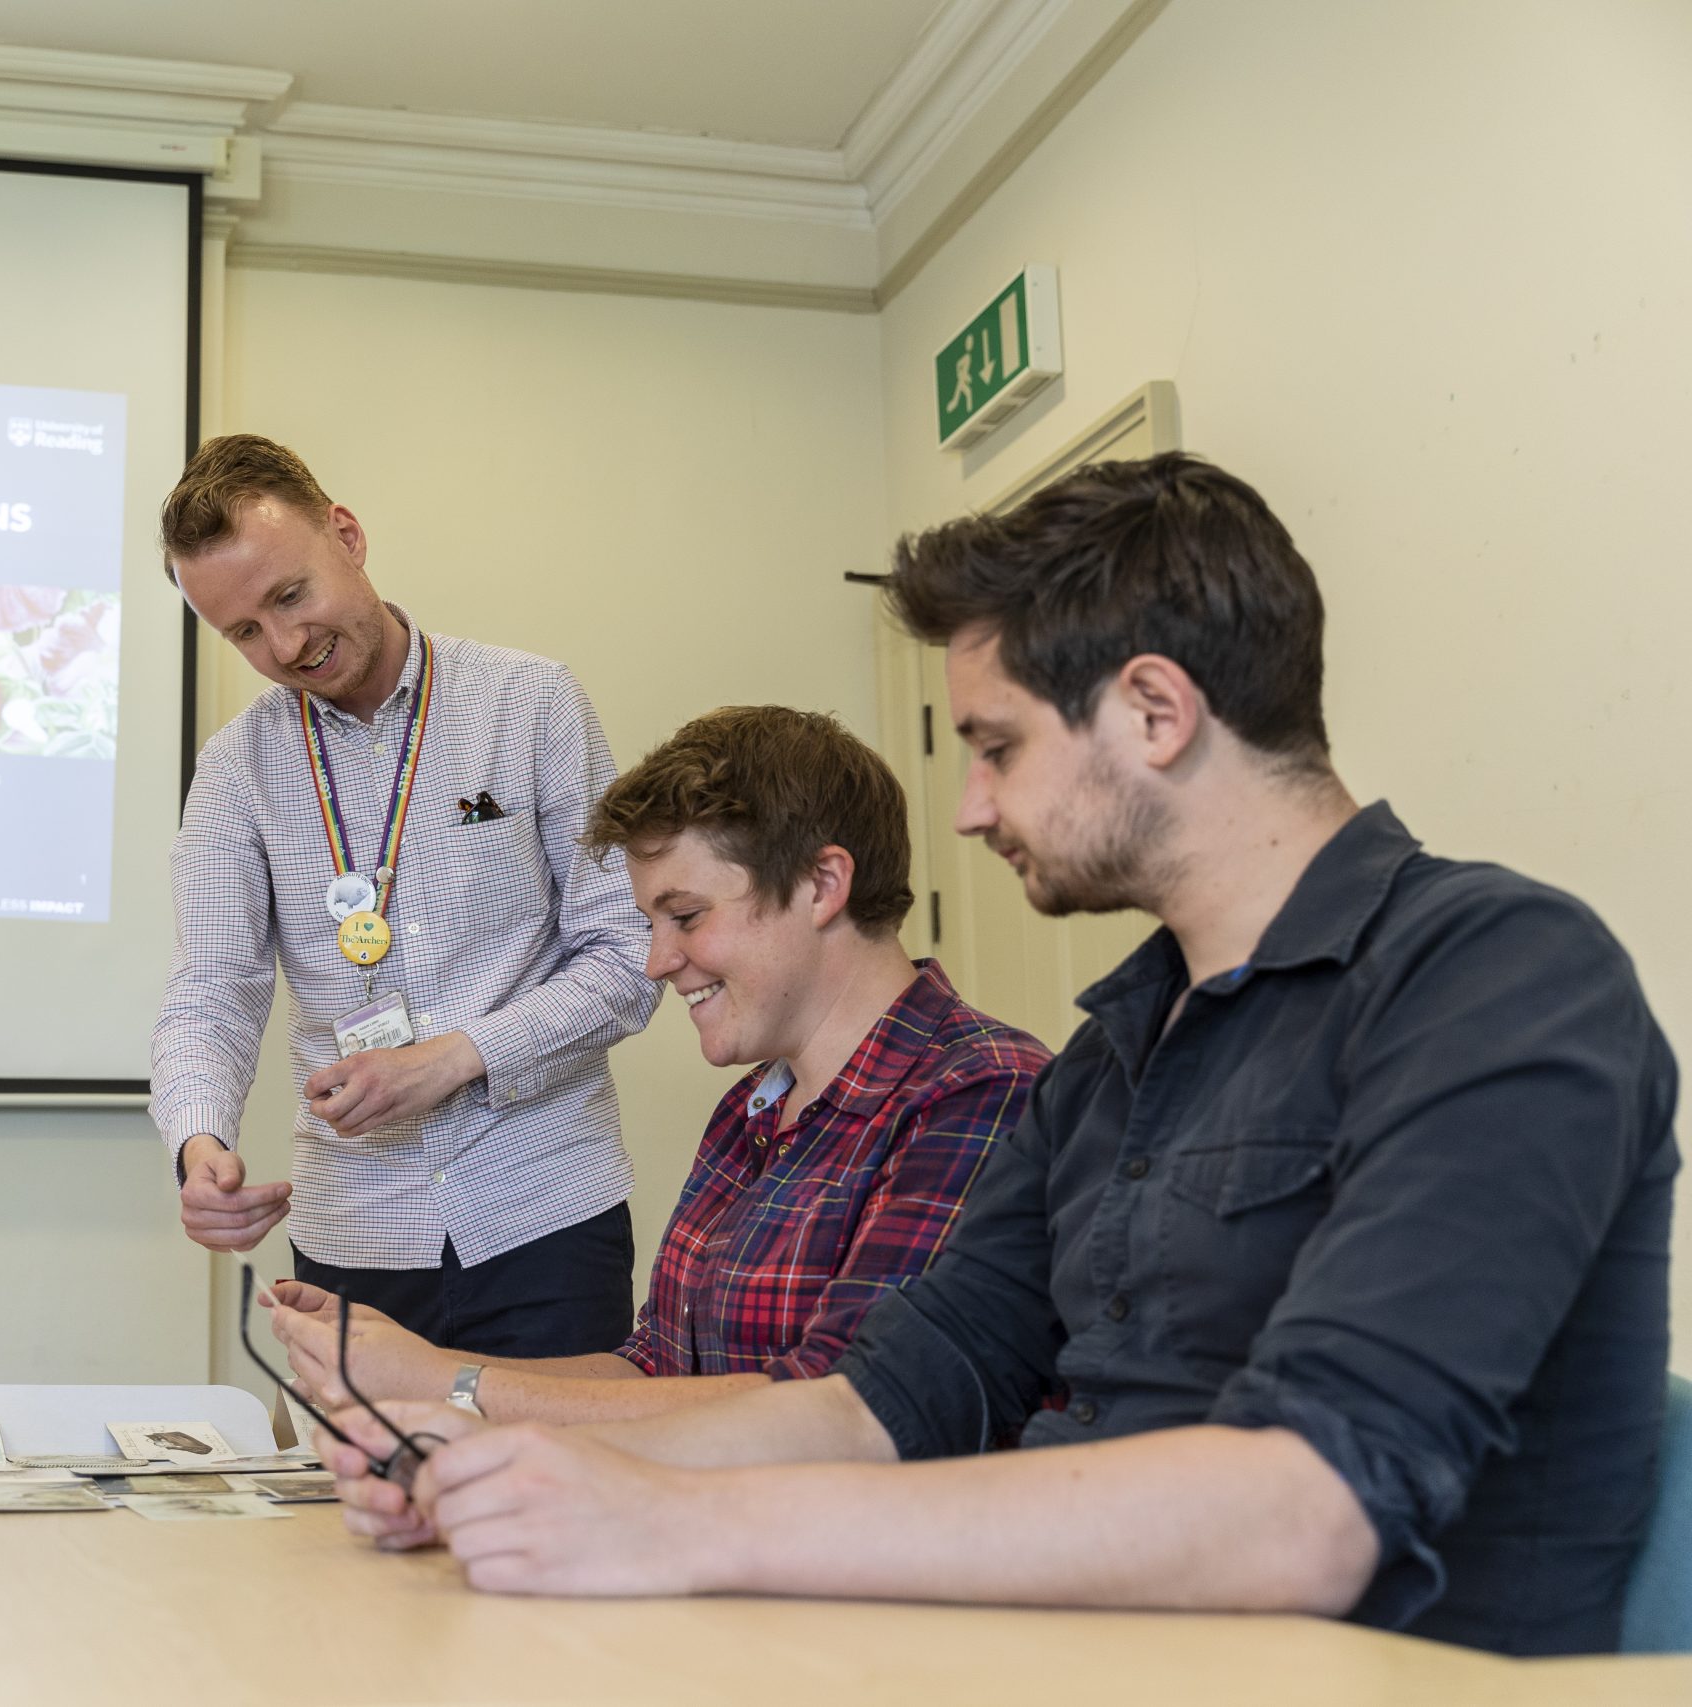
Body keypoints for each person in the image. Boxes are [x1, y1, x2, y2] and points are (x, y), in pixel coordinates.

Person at [318, 453, 1679, 1657]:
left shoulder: (1498, 975)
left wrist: (674, 1521)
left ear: (1155, 709)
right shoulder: (1109, 1058)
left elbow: (1306, 1513)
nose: (968, 808)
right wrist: (497, 1454)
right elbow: (877, 1405)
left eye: (998, 746)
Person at [268, 705, 1046, 1424]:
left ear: (823, 884)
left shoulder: (979, 1094)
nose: (656, 961)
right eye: (651, 922)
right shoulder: (753, 1112)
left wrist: (448, 1385)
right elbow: (657, 1370)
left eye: (685, 916)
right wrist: (401, 1361)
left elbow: (836, 1409)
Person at [151, 434, 659, 1357]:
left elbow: (629, 955)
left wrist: (454, 1058)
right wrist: (197, 1141)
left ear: (346, 534)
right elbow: (212, 989)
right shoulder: (234, 771)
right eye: (244, 633)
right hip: (353, 1231)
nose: (286, 645)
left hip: (546, 1212)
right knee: (356, 1504)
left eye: (290, 596)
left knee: (553, 1492)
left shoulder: (530, 703)